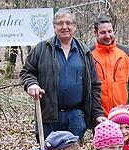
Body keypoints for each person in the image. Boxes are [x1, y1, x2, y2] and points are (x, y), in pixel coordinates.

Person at [20, 9, 104, 142]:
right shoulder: (42, 49)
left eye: (68, 23)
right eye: (60, 23)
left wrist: (97, 113)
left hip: (76, 116)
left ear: (74, 26)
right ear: (54, 27)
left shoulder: (85, 52)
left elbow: (94, 86)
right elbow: (27, 71)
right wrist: (32, 84)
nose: (64, 27)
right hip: (49, 115)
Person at [90, 16, 129, 115]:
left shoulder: (126, 52)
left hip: (123, 113)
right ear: (95, 33)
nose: (108, 35)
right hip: (99, 116)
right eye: (103, 32)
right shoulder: (88, 54)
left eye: (110, 31)